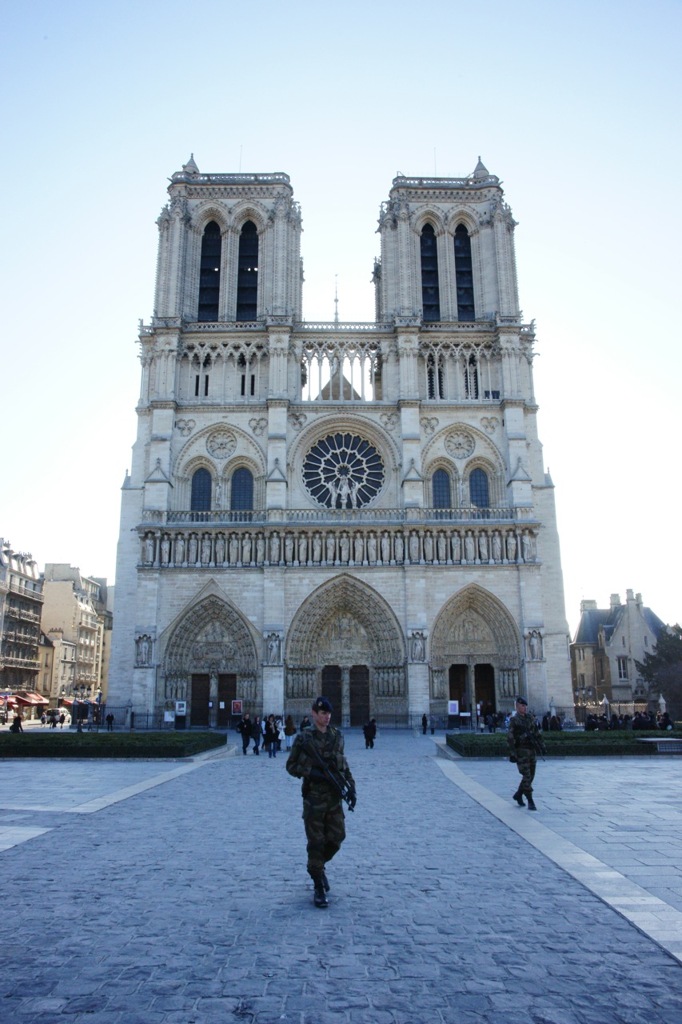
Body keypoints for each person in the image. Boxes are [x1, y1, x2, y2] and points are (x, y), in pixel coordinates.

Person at [286, 696, 356, 908]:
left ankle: (316, 867)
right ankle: (318, 883)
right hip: (314, 799)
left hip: (334, 798)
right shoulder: (304, 739)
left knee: (337, 837)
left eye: (328, 713)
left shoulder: (337, 736)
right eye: (322, 713)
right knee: (316, 841)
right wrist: (313, 773)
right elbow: (291, 766)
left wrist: (351, 785)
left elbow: (343, 765)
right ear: (314, 714)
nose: (326, 717)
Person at [508, 696, 546, 811]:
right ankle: (530, 800)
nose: (524, 708)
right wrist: (512, 753)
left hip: (531, 750)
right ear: (517, 706)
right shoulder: (514, 720)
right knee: (527, 775)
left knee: (531, 776)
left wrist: (542, 745)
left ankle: (519, 794)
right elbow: (510, 737)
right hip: (521, 751)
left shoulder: (530, 718)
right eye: (522, 706)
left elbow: (536, 733)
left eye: (525, 706)